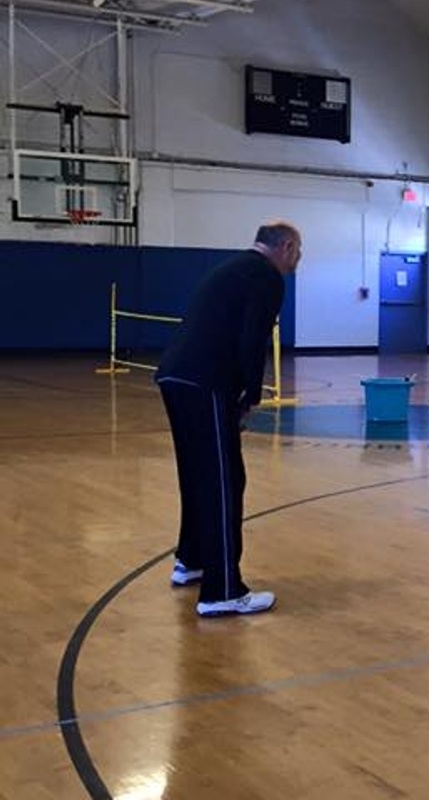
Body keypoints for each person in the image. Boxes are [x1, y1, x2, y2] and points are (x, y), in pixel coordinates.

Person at [156, 221, 302, 617]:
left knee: (198, 474)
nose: (299, 259)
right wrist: (248, 396)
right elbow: (251, 339)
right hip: (206, 381)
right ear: (285, 246)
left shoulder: (233, 268)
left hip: (176, 374)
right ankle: (222, 589)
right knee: (224, 480)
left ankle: (192, 560)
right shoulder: (266, 276)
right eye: (298, 250)